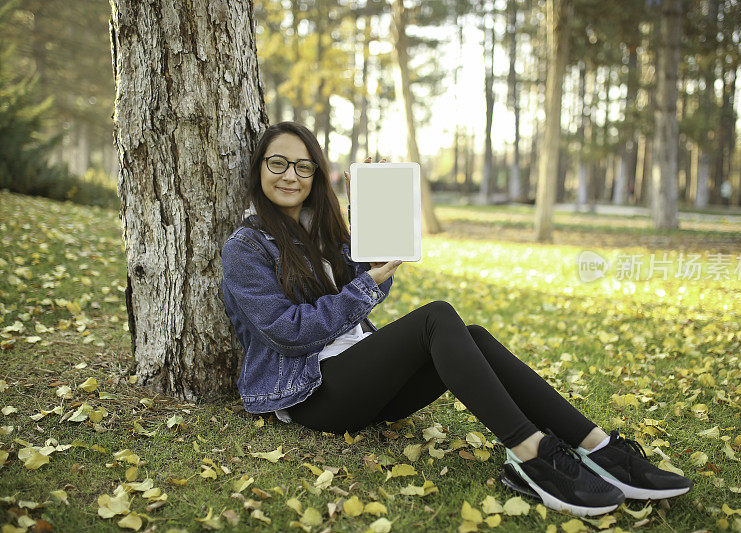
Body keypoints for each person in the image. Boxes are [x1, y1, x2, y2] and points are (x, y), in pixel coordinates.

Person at [219, 121, 693, 518]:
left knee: (474, 337)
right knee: (436, 318)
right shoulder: (245, 247)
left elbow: (366, 282)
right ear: (259, 168)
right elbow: (287, 333)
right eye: (277, 163)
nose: (290, 176)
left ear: (317, 176)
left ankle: (600, 447)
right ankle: (530, 456)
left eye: (304, 166)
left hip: (361, 383)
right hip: (310, 394)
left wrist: (375, 213)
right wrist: (364, 287)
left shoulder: (323, 231)